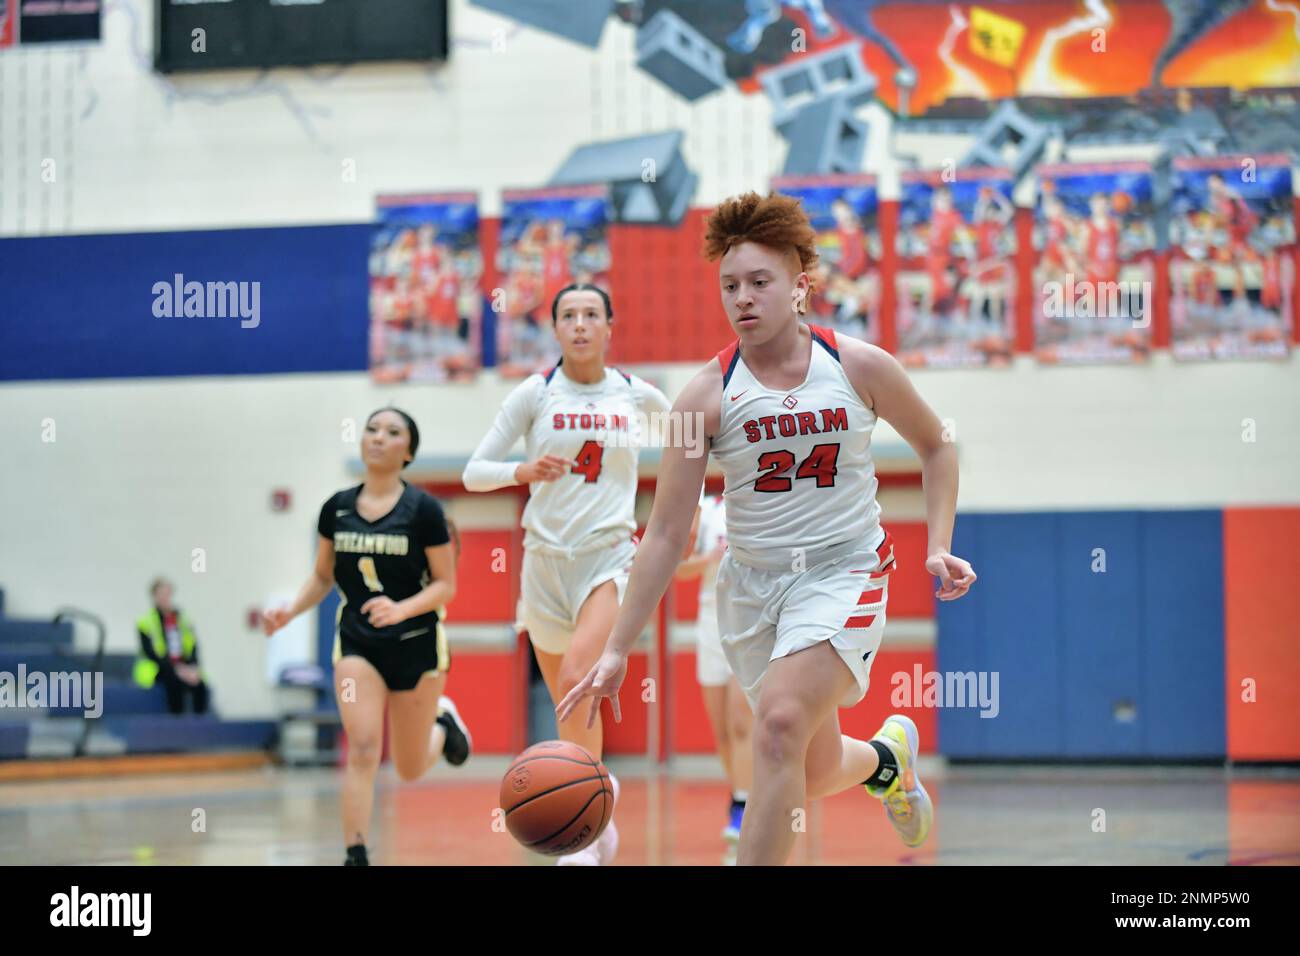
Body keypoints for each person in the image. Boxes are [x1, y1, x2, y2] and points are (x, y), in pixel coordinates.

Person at [559, 192, 976, 866]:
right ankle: (884, 762)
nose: (742, 298)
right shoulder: (703, 397)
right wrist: (616, 648)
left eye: (760, 282)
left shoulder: (858, 366)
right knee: (804, 768)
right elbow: (665, 534)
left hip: (844, 572)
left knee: (776, 729)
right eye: (730, 286)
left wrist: (938, 545)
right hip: (752, 589)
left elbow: (937, 446)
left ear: (801, 287)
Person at [463, 283, 673, 865]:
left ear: (610, 325)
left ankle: (579, 835)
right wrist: (522, 469)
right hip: (544, 563)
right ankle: (598, 801)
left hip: (607, 555)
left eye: (591, 314)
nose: (580, 324)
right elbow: (474, 471)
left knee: (582, 678)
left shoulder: (637, 395)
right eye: (569, 315)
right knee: (569, 702)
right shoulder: (535, 393)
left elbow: (694, 439)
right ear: (555, 328)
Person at [263, 408, 472, 867]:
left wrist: (400, 608)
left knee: (410, 766)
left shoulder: (424, 511)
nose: (378, 438)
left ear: (408, 452)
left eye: (392, 432)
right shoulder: (335, 508)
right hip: (360, 643)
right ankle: (355, 853)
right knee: (361, 746)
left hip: (417, 643)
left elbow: (445, 586)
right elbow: (322, 578)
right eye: (372, 429)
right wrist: (289, 612)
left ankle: (444, 725)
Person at [674, 492, 752, 844]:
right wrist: (709, 557)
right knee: (720, 727)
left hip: (748, 615)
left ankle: (745, 805)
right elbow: (679, 569)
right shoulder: (704, 509)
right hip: (709, 619)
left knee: (741, 722)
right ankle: (740, 792)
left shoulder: (758, 498)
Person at [134, 578, 209, 715]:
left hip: (183, 667)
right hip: (160, 669)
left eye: (167, 593)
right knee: (174, 680)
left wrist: (190, 667)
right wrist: (176, 668)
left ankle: (200, 726)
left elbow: (192, 646)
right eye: (161, 594)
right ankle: (177, 725)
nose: (165, 598)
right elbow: (149, 652)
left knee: (200, 683)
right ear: (154, 596)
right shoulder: (145, 622)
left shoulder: (183, 619)